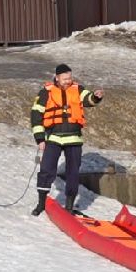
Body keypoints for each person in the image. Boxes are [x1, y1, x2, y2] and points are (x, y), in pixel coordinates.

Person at [30, 64, 104, 216]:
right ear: (57, 78)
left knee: (73, 172)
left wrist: (96, 97)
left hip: (73, 139)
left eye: (70, 78)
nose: (68, 81)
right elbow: (36, 115)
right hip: (53, 138)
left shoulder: (78, 89)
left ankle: (69, 206)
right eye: (65, 79)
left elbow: (88, 99)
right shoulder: (45, 93)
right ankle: (41, 204)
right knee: (46, 170)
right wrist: (40, 139)